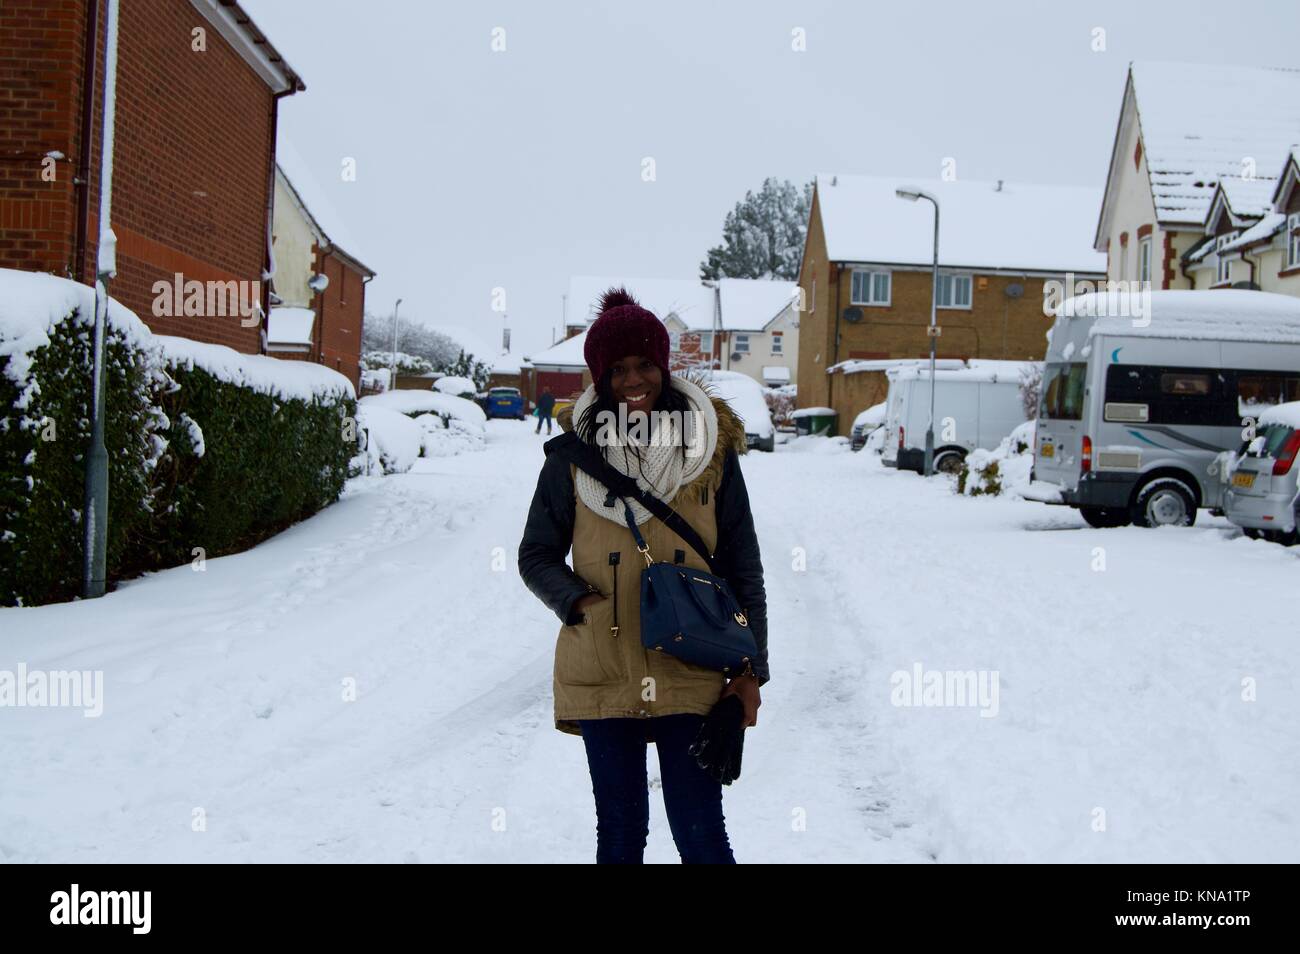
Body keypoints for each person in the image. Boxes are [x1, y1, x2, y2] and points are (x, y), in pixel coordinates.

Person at [518, 286, 769, 863]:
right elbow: (534, 554)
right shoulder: (570, 462)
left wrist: (752, 671)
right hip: (602, 667)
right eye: (618, 369)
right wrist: (578, 603)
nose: (634, 381)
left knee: (701, 833)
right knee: (622, 836)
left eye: (645, 365)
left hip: (694, 667)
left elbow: (743, 566)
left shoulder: (711, 453)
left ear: (664, 366)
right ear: (599, 378)